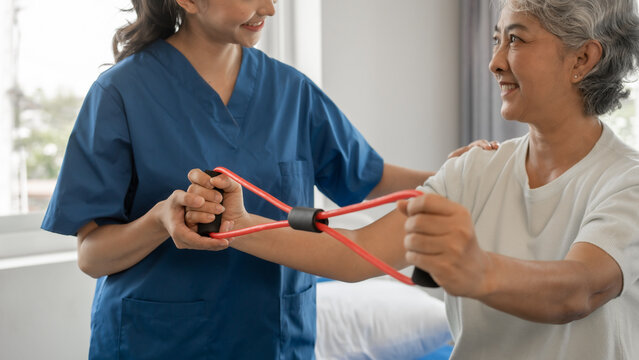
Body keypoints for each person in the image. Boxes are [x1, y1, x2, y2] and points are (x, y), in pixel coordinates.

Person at [40, 0, 494, 358]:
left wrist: (464, 172)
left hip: (275, 341)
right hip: (158, 343)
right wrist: (159, 221)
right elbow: (92, 255)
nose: (271, 8)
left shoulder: (291, 92)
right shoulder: (120, 94)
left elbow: (371, 179)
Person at [185, 0, 639, 358]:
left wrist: (477, 270)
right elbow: (357, 256)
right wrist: (238, 226)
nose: (495, 63)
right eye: (496, 40)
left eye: (515, 41)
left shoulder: (626, 183)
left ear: (582, 58)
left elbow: (579, 290)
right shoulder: (473, 169)